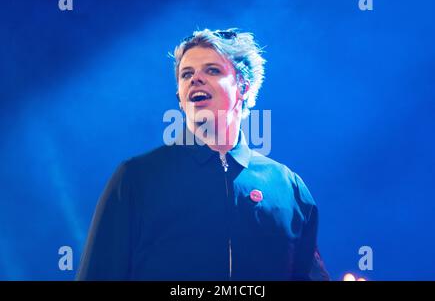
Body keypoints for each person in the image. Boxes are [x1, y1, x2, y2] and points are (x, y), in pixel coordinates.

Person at [76, 28, 329, 281]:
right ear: (180, 98)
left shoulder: (287, 187)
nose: (195, 79)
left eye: (212, 70)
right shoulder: (136, 179)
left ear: (243, 86)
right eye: (187, 74)